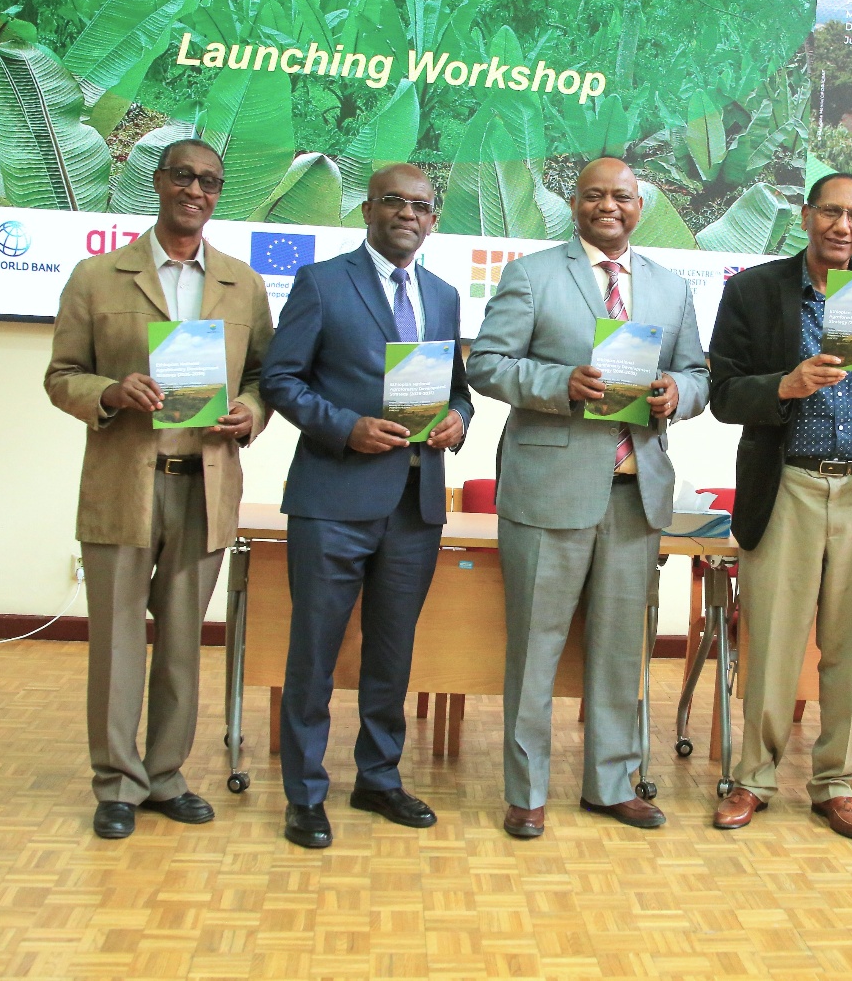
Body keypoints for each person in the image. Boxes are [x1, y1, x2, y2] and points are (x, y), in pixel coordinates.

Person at [467, 157, 709, 839]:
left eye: (622, 197)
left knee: (616, 650)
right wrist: (559, 384)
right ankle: (527, 790)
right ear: (574, 204)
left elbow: (696, 373)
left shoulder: (666, 286)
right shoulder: (534, 274)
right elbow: (487, 363)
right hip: (549, 490)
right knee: (535, 650)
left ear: (639, 205)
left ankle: (610, 783)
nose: (609, 207)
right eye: (595, 195)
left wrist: (678, 394)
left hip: (634, 495)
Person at [45, 139, 274, 840]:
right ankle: (117, 782)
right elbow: (61, 377)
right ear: (158, 181)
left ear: (217, 193)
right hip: (123, 483)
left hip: (204, 484)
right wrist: (112, 390)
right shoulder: (97, 277)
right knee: (116, 643)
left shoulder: (242, 284)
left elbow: (265, 379)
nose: (195, 190)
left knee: (181, 643)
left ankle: (166, 776)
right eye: (183, 176)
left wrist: (251, 413)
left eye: (209, 181)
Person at [707, 172, 852, 840]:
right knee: (771, 645)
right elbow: (722, 394)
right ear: (804, 216)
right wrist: (785, 385)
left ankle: (834, 784)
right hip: (788, 488)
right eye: (830, 212)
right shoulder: (752, 290)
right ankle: (753, 780)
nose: (842, 227)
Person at [260, 164, 472, 849]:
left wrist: (459, 421)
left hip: (414, 502)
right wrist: (343, 427)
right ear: (366, 210)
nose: (407, 214)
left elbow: (458, 390)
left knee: (392, 653)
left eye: (420, 206)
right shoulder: (322, 283)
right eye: (392, 202)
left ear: (433, 219)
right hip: (333, 497)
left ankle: (378, 777)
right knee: (314, 654)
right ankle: (305, 794)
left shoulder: (441, 295)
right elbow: (281, 378)